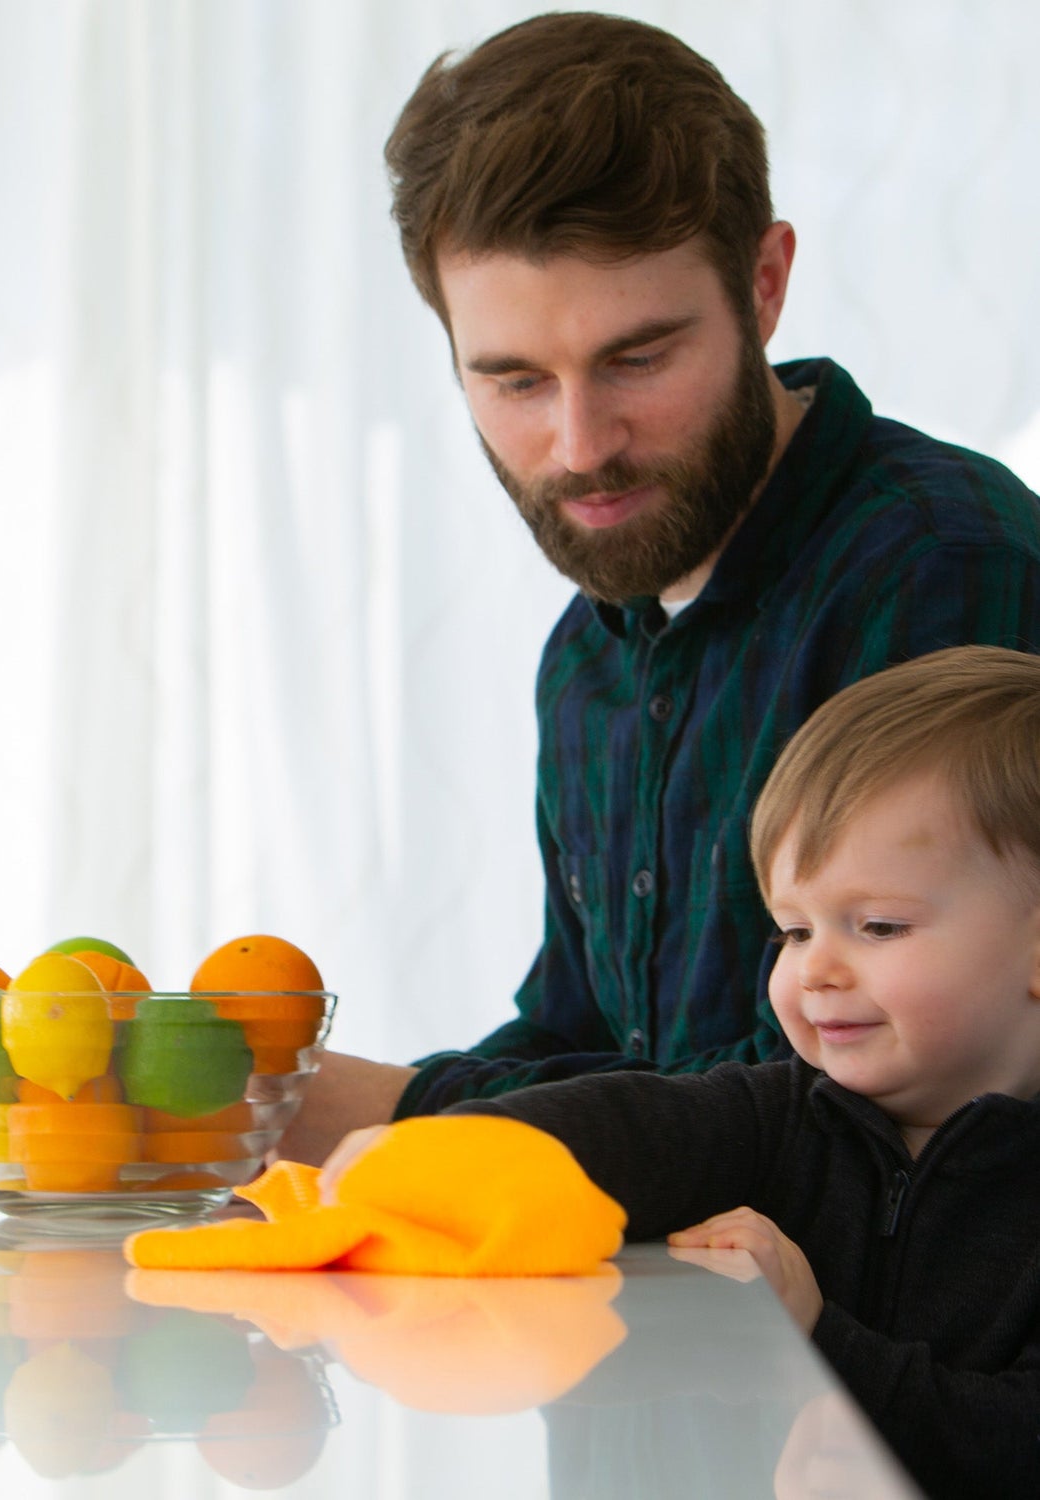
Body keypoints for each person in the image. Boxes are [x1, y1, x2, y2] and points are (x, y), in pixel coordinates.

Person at [277, 10, 1040, 1165]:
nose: (580, 446)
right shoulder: (591, 653)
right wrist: (301, 1125)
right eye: (516, 380)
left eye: (637, 359)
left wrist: (400, 1113)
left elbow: (865, 1117)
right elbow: (586, 1042)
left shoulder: (945, 568)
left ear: (767, 284)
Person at [324, 645, 1040, 1500]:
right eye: (795, 931)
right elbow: (637, 1126)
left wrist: (822, 1338)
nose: (813, 972)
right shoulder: (785, 1112)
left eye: (878, 926)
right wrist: (449, 1150)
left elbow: (1013, 1440)